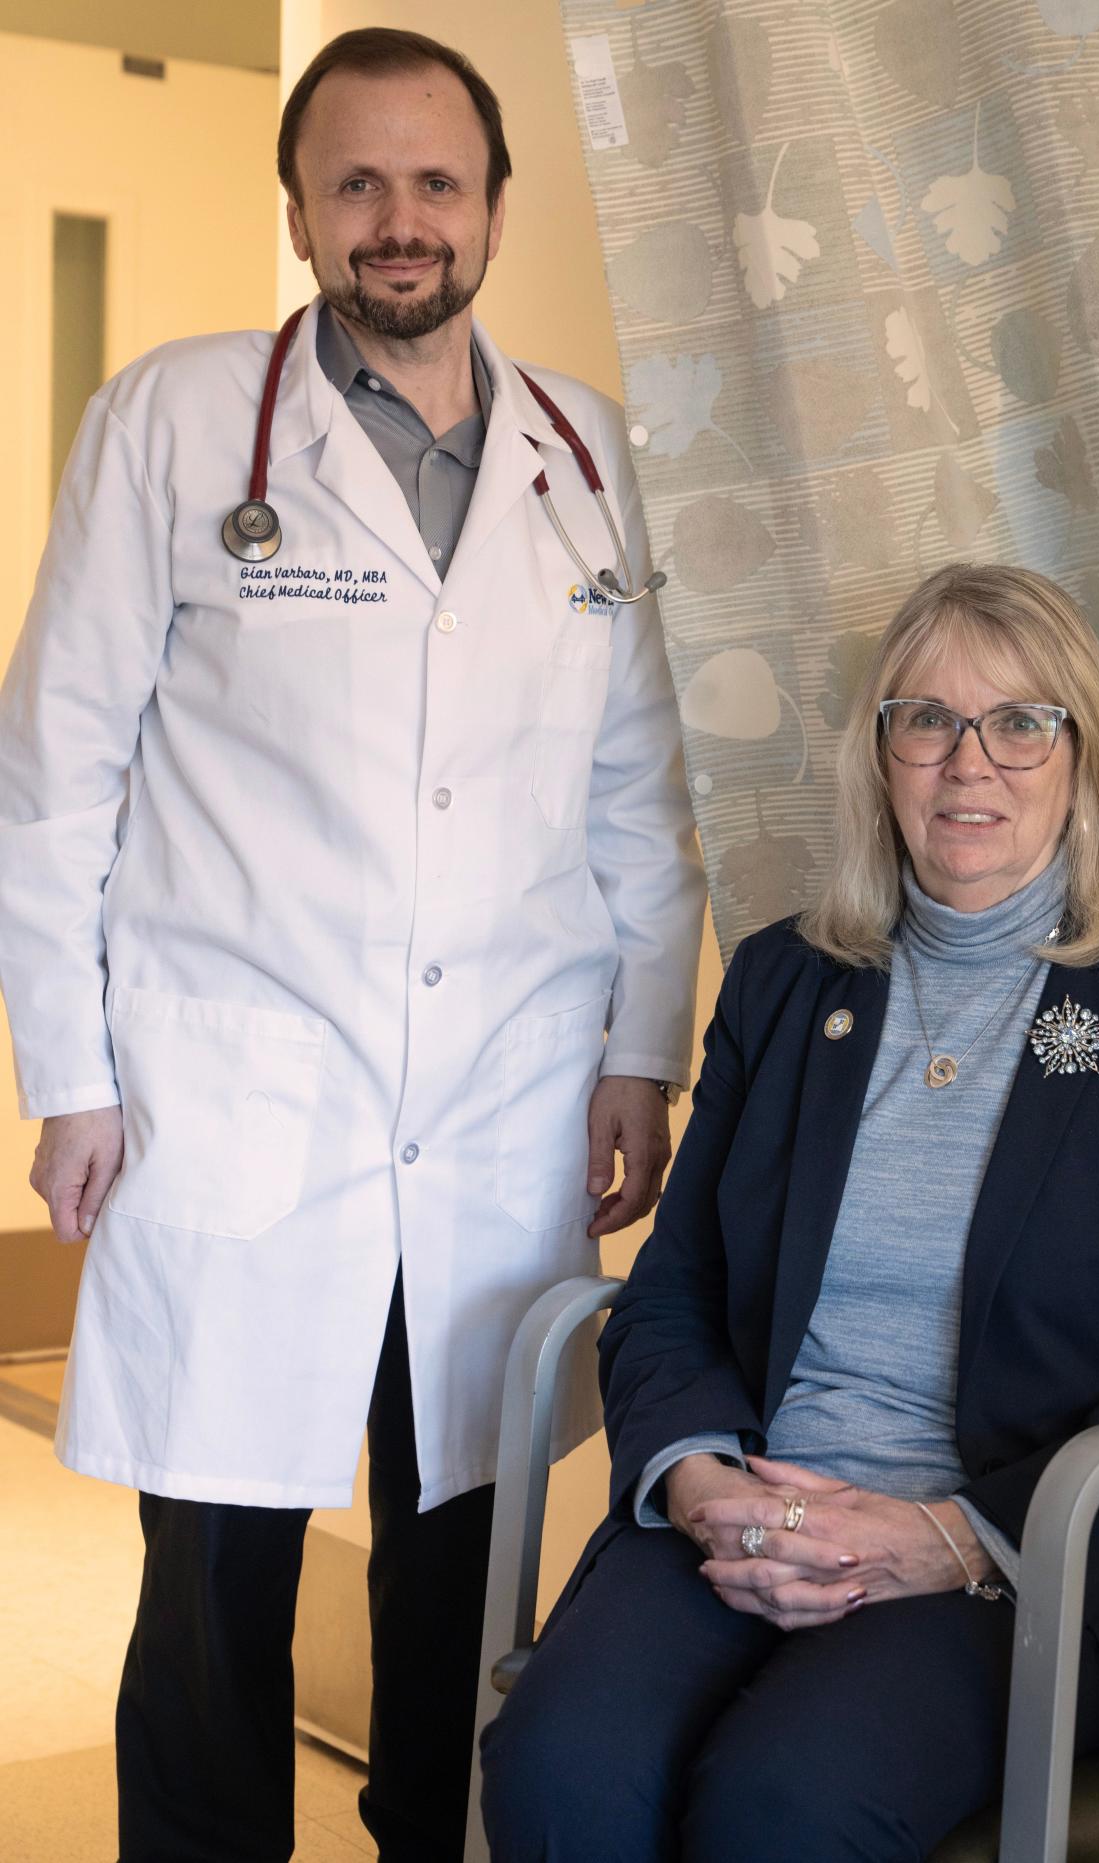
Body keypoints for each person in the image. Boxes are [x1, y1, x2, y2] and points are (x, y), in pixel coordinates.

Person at [0, 27, 705, 1863]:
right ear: (301, 204)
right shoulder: (174, 421)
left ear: (491, 206)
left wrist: (645, 1051)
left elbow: (642, 790)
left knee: (455, 1579)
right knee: (214, 1593)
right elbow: (54, 776)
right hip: (237, 1102)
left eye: (437, 182)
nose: (401, 222)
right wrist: (68, 1081)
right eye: (360, 183)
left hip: (503, 1109)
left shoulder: (588, 455)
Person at [480, 563, 1099, 1861]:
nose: (967, 763)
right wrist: (704, 1487)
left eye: (1019, 722)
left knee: (783, 1804)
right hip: (759, 1499)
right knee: (557, 1768)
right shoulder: (786, 981)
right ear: (878, 750)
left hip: (1027, 1551)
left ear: (1080, 754)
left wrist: (946, 1536)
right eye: (924, 719)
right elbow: (671, 1294)